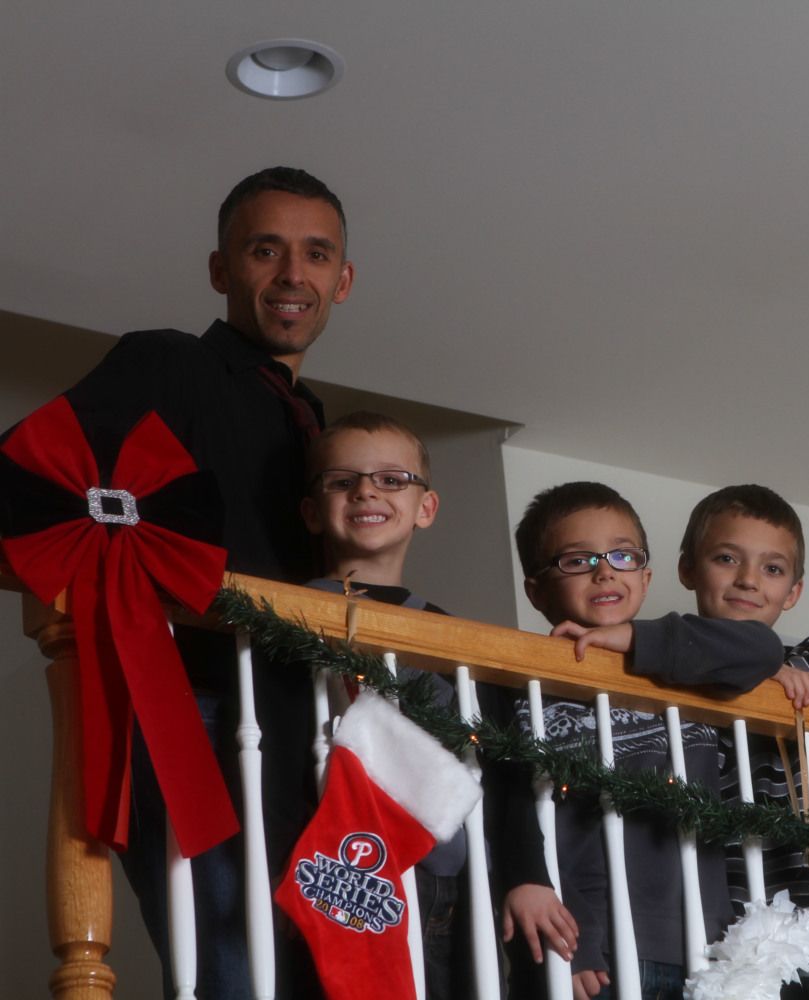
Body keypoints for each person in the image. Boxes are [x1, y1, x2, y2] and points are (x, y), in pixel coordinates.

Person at [56, 166, 354, 998]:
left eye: (316, 254)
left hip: (300, 720)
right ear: (222, 269)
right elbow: (31, 474)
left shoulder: (316, 418)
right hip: (194, 705)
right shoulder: (168, 364)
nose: (293, 274)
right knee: (230, 966)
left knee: (303, 968)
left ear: (343, 279)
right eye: (265, 250)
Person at [298, 411, 578, 998]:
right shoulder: (282, 615)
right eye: (343, 481)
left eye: (391, 479)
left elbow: (503, 764)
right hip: (334, 868)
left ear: (425, 508)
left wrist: (526, 874)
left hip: (443, 880)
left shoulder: (456, 641)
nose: (367, 491)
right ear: (312, 510)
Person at [506, 482, 799, 1000]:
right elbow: (534, 823)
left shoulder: (683, 665)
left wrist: (634, 639)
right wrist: (576, 942)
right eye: (578, 560)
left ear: (646, 577)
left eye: (623, 556)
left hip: (703, 943)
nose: (604, 572)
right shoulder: (532, 688)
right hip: (597, 942)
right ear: (536, 591)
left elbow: (760, 646)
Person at [675, 484, 809, 916]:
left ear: (793, 592)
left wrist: (768, 668)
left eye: (773, 568)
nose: (748, 579)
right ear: (688, 569)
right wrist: (762, 671)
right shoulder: (675, 665)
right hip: (723, 894)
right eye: (727, 559)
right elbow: (675, 649)